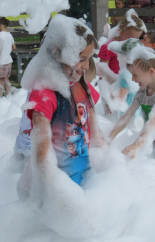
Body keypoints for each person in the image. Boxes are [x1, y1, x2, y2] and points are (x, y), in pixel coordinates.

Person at [17, 14, 108, 194]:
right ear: (57, 54)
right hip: (56, 186)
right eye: (81, 58)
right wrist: (51, 184)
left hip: (84, 177)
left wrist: (105, 156)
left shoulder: (83, 86)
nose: (86, 65)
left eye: (88, 58)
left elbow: (94, 128)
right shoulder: (45, 95)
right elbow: (41, 152)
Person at [109, 46, 155, 160]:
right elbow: (127, 116)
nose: (133, 79)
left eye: (135, 74)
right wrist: (109, 138)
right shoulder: (142, 91)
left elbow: (153, 121)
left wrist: (137, 145)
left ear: (151, 72)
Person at [98, 9, 146, 80]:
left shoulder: (133, 47)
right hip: (113, 86)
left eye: (137, 38)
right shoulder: (108, 48)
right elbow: (102, 74)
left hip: (129, 84)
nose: (132, 42)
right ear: (121, 31)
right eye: (130, 38)